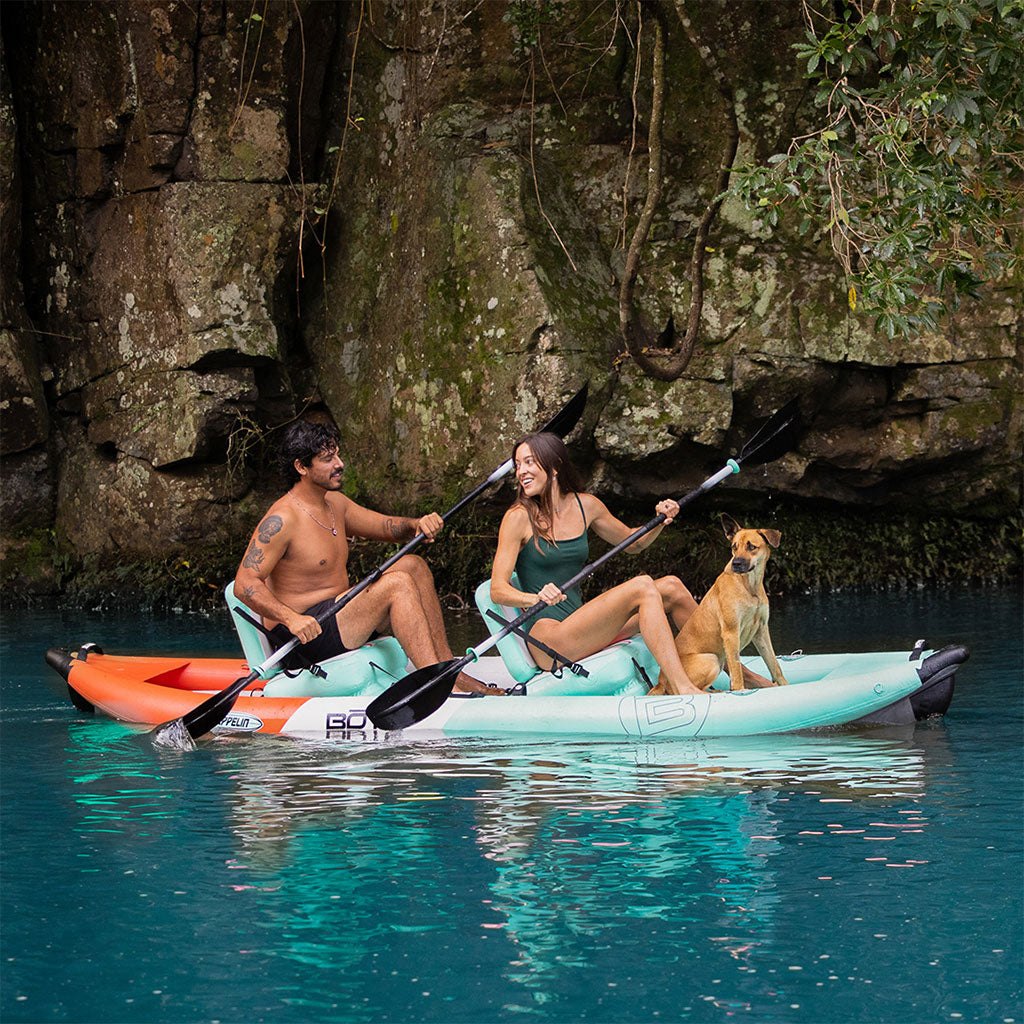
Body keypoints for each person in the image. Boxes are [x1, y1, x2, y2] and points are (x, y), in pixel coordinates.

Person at [234, 419, 503, 694]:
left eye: (337, 454)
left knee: (413, 565)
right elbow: (244, 584)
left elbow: (385, 527)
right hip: (303, 636)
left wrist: (415, 524)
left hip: (339, 616)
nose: (339, 463)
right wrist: (291, 619)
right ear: (301, 467)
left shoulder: (334, 503)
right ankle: (433, 685)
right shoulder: (282, 520)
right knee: (396, 584)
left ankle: (448, 670)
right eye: (328, 459)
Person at [489, 432, 705, 695]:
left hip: (581, 624)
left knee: (672, 587)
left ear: (554, 466)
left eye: (529, 462)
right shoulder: (518, 517)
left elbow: (633, 542)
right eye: (518, 465)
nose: (521, 471)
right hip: (549, 640)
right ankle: (683, 687)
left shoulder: (586, 506)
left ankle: (737, 673)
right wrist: (534, 598)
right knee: (641, 587)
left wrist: (660, 519)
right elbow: (497, 590)